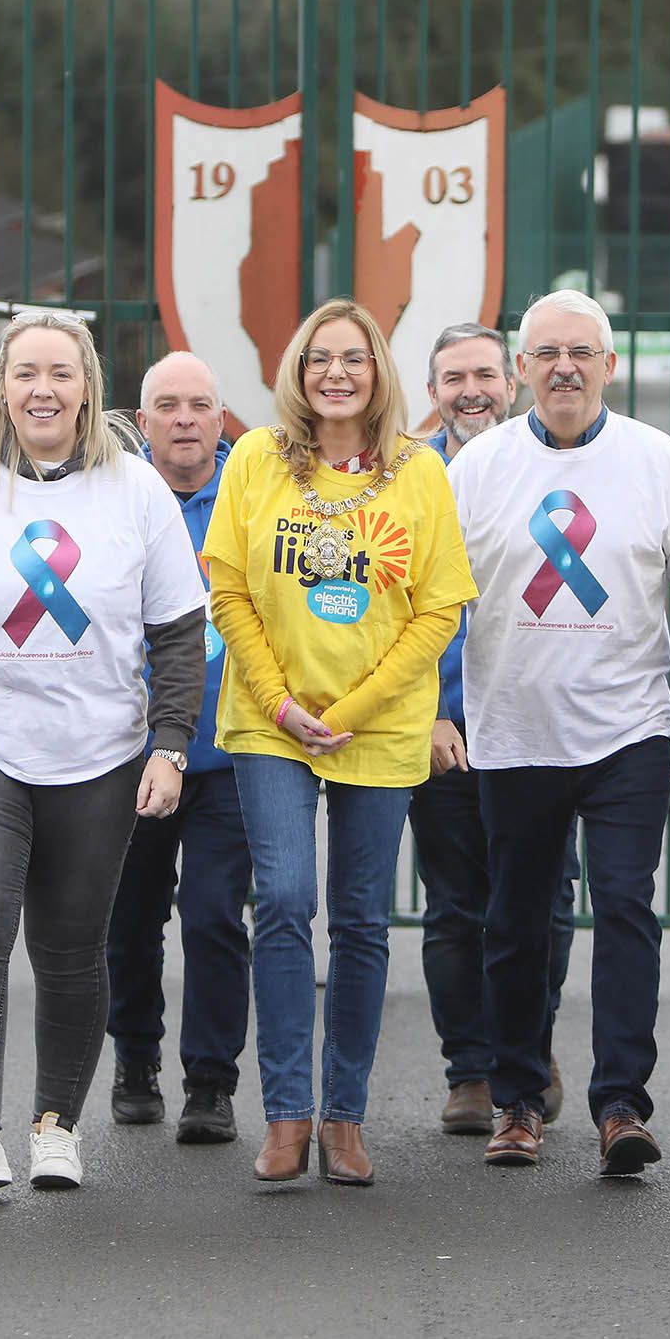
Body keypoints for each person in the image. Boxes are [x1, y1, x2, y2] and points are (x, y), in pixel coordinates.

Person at [0, 310, 208, 1194]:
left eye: (60, 373)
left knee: (71, 948)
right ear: (3, 387)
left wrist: (169, 743)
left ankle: (56, 1124)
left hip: (99, 751)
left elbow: (179, 631)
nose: (43, 390)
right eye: (25, 373)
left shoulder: (136, 490)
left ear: (88, 386)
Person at [448, 291, 670, 1176]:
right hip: (514, 730)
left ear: (609, 366)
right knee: (516, 923)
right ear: (520, 370)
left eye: (582, 352)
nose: (564, 367)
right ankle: (519, 1098)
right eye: (546, 353)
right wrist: (437, 709)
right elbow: (433, 603)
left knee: (625, 907)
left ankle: (620, 1104)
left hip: (628, 733)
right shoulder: (478, 467)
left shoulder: (654, 460)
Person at [204, 298, 478, 1185]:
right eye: (319, 356)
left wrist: (355, 705)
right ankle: (286, 1117)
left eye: (354, 358)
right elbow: (229, 593)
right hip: (271, 724)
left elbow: (440, 608)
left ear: (379, 373)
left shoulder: (419, 473)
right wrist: (283, 705)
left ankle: (344, 1120)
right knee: (283, 899)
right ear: (296, 369)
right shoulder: (253, 461)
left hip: (381, 723)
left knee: (362, 921)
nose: (335, 373)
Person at [416, 321, 575, 1134]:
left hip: (541, 723)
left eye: (484, 373)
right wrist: (435, 713)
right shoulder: (407, 478)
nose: (470, 390)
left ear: (510, 381)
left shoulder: (538, 467)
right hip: (440, 728)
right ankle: (471, 1072)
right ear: (433, 392)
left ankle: (531, 1045)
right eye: (453, 378)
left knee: (545, 902)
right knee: (455, 905)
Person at [103, 352, 255, 1146]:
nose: (186, 419)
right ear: (142, 418)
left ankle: (210, 1082)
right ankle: (134, 1058)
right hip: (130, 751)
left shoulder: (255, 494)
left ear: (221, 416)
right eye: (168, 405)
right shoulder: (114, 498)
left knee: (213, 917)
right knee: (128, 919)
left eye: (200, 403)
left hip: (231, 749)